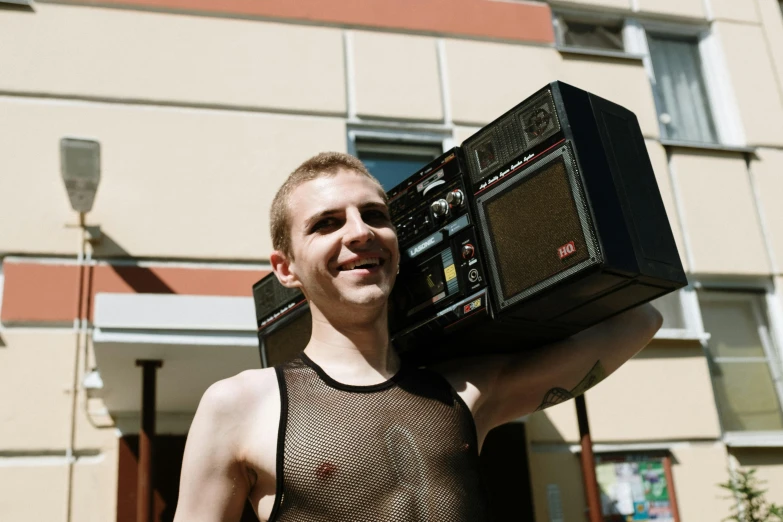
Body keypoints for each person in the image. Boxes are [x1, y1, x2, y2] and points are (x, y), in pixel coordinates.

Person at [173, 152, 663, 522]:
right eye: (327, 223)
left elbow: (641, 320)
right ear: (285, 269)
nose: (359, 232)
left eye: (375, 216)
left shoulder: (464, 394)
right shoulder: (240, 405)